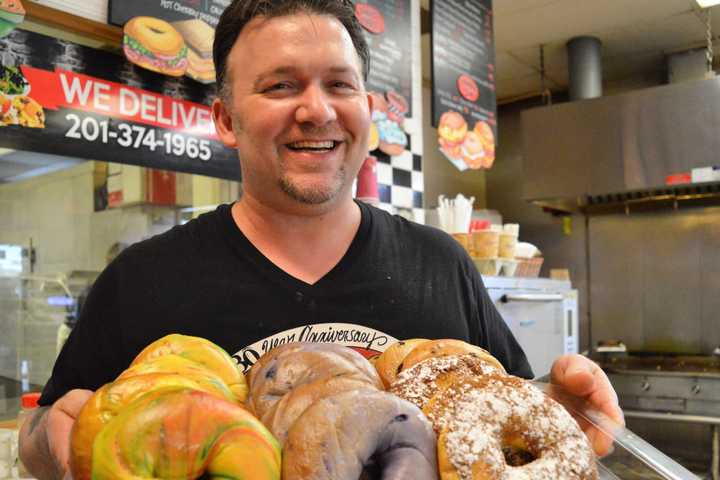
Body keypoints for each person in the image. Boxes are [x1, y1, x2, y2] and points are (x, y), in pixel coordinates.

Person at [19, 1, 624, 478]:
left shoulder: (440, 263)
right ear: (226, 119)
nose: (317, 110)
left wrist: (563, 410)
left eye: (339, 84)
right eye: (280, 86)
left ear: (366, 106)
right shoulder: (142, 279)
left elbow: (502, 416)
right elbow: (45, 436)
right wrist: (49, 441)